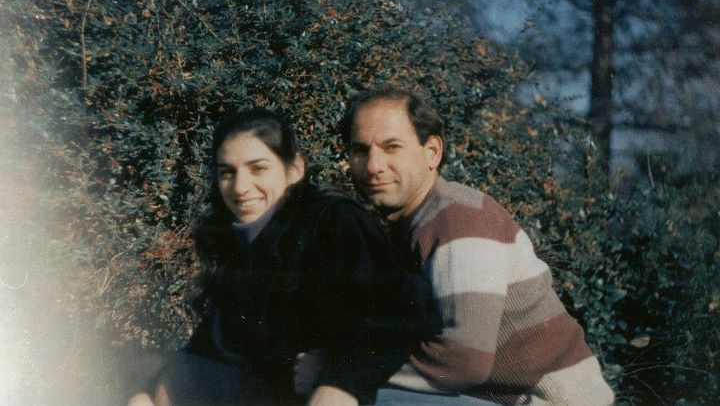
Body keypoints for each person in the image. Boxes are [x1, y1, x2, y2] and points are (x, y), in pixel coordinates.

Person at [127, 107, 440, 406]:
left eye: (258, 168)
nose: (240, 187)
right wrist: (145, 390)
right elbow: (214, 345)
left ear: (294, 170)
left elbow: (400, 309)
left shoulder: (331, 221)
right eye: (227, 173)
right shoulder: (238, 242)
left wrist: (340, 381)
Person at [340, 86, 615, 405]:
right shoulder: (409, 225)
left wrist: (341, 376)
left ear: (432, 152)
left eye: (392, 148)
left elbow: (462, 361)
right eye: (360, 150)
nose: (373, 165)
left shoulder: (459, 219)